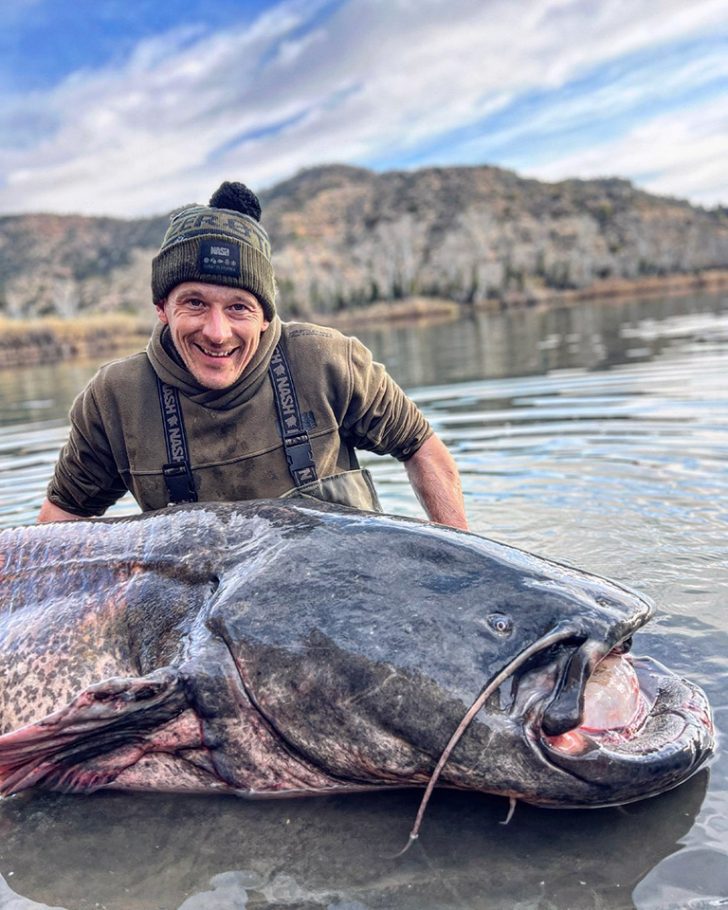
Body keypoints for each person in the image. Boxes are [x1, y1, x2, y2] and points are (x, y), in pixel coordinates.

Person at [37, 181, 468, 530]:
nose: (218, 332)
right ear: (162, 308)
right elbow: (60, 521)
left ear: (264, 316)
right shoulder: (115, 399)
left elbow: (422, 448)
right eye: (195, 303)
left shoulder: (326, 360)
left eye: (238, 307)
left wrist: (465, 565)